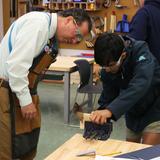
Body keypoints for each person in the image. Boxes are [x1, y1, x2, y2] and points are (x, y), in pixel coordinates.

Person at [0, 8, 92, 160]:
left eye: (80, 39)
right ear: (69, 20)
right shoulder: (38, 25)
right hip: (6, 90)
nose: (75, 41)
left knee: (26, 143)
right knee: (7, 147)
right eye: (77, 35)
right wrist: (25, 101)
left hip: (19, 89)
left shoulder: (48, 31)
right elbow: (16, 68)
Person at [90, 32, 160, 145]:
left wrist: (110, 111)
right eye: (104, 66)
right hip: (133, 110)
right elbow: (109, 94)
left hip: (155, 109)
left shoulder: (141, 52)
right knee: (131, 151)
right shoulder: (108, 64)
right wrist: (101, 112)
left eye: (111, 65)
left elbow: (140, 84)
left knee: (147, 153)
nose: (106, 69)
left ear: (122, 56)